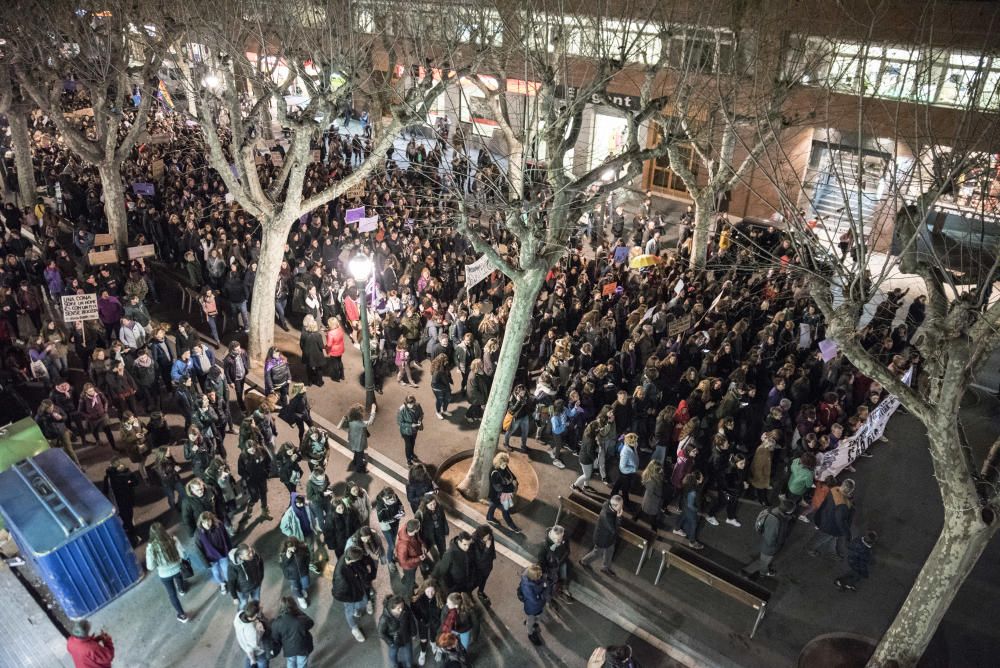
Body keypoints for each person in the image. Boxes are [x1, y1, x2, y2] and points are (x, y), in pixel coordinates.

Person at [144, 523, 190, 623]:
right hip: (178, 568)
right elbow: (182, 553)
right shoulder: (173, 539)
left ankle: (182, 615)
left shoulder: (151, 548)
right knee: (179, 577)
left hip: (164, 575)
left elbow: (150, 567)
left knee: (172, 594)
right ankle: (181, 590)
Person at [742, 498, 797, 579]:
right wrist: (774, 547)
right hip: (769, 546)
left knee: (764, 559)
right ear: (788, 510)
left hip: (768, 544)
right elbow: (770, 537)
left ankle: (758, 569)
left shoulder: (776, 511)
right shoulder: (775, 521)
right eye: (792, 510)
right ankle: (762, 572)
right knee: (765, 560)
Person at [332, 545, 377, 643]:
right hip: (349, 596)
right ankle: (354, 628)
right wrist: (353, 599)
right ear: (352, 560)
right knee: (349, 612)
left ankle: (356, 610)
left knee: (364, 602)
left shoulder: (348, 556)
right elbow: (339, 594)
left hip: (357, 590)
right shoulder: (341, 575)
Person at [807, 478, 856, 559]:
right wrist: (848, 535)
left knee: (833, 538)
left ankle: (832, 552)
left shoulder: (834, 490)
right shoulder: (843, 505)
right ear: (850, 491)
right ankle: (810, 548)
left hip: (824, 518)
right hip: (830, 526)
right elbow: (841, 522)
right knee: (820, 538)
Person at [579, 494, 623, 576]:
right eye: (620, 506)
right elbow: (614, 530)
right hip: (602, 539)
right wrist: (619, 517)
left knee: (610, 551)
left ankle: (605, 568)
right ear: (614, 505)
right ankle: (584, 561)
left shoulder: (609, 505)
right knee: (597, 553)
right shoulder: (606, 516)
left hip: (609, 538)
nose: (621, 507)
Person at [279, 492, 322, 575]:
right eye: (299, 504)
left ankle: (311, 563)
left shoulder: (306, 506)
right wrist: (292, 534)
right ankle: (301, 565)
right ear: (294, 503)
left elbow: (314, 514)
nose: (301, 505)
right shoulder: (289, 513)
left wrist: (315, 524)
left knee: (311, 549)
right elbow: (283, 527)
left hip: (309, 533)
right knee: (300, 551)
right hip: (298, 537)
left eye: (302, 502)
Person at [270, 596, 315, 668]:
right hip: (303, 647)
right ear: (294, 606)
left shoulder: (276, 623)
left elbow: (276, 638)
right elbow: (311, 623)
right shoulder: (301, 620)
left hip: (289, 649)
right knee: (302, 664)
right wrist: (300, 612)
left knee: (290, 662)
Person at [103, 458, 140, 544]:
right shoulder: (126, 473)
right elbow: (135, 482)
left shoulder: (108, 477)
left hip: (117, 503)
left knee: (126, 520)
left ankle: (130, 534)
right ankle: (133, 537)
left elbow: (105, 490)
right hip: (127, 500)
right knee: (129, 519)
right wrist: (129, 483)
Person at [196, 511, 232, 594]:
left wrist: (230, 550)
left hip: (223, 554)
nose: (207, 524)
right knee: (216, 572)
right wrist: (206, 563)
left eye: (208, 521)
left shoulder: (219, 525)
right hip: (211, 558)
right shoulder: (198, 534)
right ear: (201, 523)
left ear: (212, 519)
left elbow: (227, 537)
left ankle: (230, 583)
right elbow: (199, 550)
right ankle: (222, 583)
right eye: (204, 523)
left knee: (226, 570)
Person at [485, 453, 522, 533]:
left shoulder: (504, 466)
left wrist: (514, 479)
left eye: (506, 464)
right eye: (503, 464)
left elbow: (510, 474)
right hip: (497, 495)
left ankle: (489, 518)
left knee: (493, 506)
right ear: (498, 463)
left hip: (498, 496)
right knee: (505, 510)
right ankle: (512, 526)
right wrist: (512, 487)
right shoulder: (494, 473)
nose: (505, 466)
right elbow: (499, 488)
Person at [379, 594, 418, 667]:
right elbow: (381, 633)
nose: (401, 609)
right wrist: (391, 643)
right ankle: (396, 666)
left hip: (406, 637)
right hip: (394, 640)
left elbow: (411, 621)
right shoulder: (384, 618)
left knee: (409, 657)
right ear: (391, 609)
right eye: (398, 608)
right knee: (393, 655)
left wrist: (414, 633)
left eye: (402, 606)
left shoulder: (406, 609)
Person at [536, 524, 573, 602]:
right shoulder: (544, 546)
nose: (559, 541)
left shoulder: (564, 537)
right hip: (551, 567)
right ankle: (554, 595)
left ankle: (563, 588)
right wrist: (545, 572)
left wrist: (564, 558)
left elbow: (567, 550)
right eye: (557, 539)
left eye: (560, 538)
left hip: (562, 562)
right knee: (553, 582)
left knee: (564, 575)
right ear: (552, 537)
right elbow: (541, 560)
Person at [433, 531, 477, 595]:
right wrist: (449, 591)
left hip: (465, 584)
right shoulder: (450, 554)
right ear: (459, 542)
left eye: (469, 544)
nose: (467, 547)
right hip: (454, 587)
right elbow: (442, 573)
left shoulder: (468, 549)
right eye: (465, 544)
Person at [413, 579, 444, 666]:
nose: (430, 594)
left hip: (434, 622)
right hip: (423, 622)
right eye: (428, 591)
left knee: (433, 636)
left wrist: (438, 620)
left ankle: (433, 644)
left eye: (432, 591)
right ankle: (423, 653)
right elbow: (414, 608)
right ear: (424, 590)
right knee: (423, 639)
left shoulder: (439, 597)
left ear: (435, 590)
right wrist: (420, 619)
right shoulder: (418, 598)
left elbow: (442, 610)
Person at [673, 472, 706, 550]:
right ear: (697, 480)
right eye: (702, 477)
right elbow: (691, 505)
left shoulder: (688, 484)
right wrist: (697, 510)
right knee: (694, 525)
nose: (703, 478)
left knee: (683, 516)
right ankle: (692, 542)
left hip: (685, 506)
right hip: (690, 510)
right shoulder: (694, 491)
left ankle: (677, 529)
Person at [339, 403, 375, 474]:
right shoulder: (360, 424)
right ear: (359, 415)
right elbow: (370, 422)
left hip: (353, 441)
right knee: (360, 456)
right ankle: (360, 468)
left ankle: (355, 461)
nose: (363, 413)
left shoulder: (350, 421)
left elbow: (343, 427)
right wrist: (373, 410)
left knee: (356, 453)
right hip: (359, 443)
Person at [228, 543, 265, 610]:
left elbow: (261, 566)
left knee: (256, 601)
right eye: (248, 554)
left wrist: (260, 578)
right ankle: (241, 617)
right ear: (241, 556)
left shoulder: (255, 556)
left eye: (251, 551)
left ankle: (257, 614)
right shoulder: (233, 566)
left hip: (256, 585)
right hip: (243, 590)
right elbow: (231, 582)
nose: (251, 554)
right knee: (243, 604)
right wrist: (235, 597)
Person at [395, 518, 428, 597]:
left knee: (410, 575)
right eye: (419, 527)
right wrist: (419, 558)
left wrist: (422, 544)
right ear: (415, 529)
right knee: (410, 579)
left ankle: (405, 579)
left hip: (415, 561)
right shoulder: (403, 545)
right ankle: (410, 593)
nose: (420, 528)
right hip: (409, 566)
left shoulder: (410, 530)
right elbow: (404, 561)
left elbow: (418, 538)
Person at [233, 600, 270, 668]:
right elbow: (255, 644)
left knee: (250, 659)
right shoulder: (251, 629)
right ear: (255, 615)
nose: (262, 607)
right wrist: (261, 631)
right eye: (260, 607)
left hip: (244, 645)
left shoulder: (239, 614)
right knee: (262, 663)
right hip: (258, 652)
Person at [279, 537, 314, 609]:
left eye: (294, 546)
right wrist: (287, 558)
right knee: (296, 588)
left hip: (303, 572)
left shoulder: (302, 548)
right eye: (290, 548)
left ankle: (302, 590)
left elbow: (307, 556)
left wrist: (307, 564)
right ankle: (300, 598)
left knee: (306, 584)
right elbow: (282, 565)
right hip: (292, 576)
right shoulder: (283, 554)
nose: (293, 549)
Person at [376, 487, 406, 570]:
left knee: (393, 539)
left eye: (393, 496)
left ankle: (391, 554)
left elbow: (400, 504)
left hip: (395, 523)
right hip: (387, 527)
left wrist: (401, 510)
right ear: (384, 498)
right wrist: (392, 519)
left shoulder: (394, 497)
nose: (393, 499)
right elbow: (381, 519)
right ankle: (389, 561)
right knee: (392, 545)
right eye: (389, 498)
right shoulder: (380, 506)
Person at [519, 563, 548, 645]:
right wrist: (543, 593)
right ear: (533, 577)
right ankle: (530, 633)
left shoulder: (532, 578)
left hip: (537, 605)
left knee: (538, 616)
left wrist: (542, 584)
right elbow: (535, 600)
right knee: (531, 620)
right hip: (533, 608)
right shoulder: (527, 587)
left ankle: (533, 623)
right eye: (539, 576)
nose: (541, 576)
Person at [609, 432, 640, 510]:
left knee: (620, 481)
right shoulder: (625, 452)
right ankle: (626, 502)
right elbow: (623, 467)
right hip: (626, 473)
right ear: (631, 442)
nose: (637, 442)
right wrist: (634, 469)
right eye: (635, 441)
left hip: (627, 473)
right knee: (625, 488)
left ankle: (613, 492)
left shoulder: (633, 446)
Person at [471, 525, 496, 607]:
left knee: (484, 580)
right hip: (479, 569)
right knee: (475, 583)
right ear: (480, 537)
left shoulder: (489, 537)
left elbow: (492, 548)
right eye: (485, 537)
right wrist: (487, 548)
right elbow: (480, 559)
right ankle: (469, 596)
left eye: (488, 536)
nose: (488, 539)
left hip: (488, 566)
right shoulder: (474, 543)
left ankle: (480, 592)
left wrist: (492, 557)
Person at [397, 395, 425, 466]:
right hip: (406, 431)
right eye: (410, 404)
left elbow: (421, 414)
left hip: (414, 430)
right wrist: (410, 425)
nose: (411, 405)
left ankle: (412, 454)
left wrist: (419, 420)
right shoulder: (402, 410)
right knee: (408, 445)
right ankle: (408, 460)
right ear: (406, 403)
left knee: (413, 442)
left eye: (413, 403)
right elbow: (400, 423)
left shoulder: (417, 405)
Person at [503, 384, 532, 452]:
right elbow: (512, 409)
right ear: (517, 392)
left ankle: (523, 446)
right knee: (510, 431)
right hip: (516, 418)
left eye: (524, 392)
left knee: (525, 432)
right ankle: (506, 443)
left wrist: (527, 402)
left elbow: (528, 404)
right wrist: (518, 401)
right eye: (521, 393)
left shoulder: (526, 396)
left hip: (524, 417)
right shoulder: (512, 397)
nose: (523, 394)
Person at [429, 353, 453, 419]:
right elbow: (434, 382)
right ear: (440, 362)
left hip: (445, 386)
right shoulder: (437, 371)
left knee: (448, 399)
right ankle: (438, 412)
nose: (446, 362)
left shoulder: (445, 366)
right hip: (438, 388)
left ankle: (444, 410)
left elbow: (448, 374)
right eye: (444, 361)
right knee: (440, 400)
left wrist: (450, 380)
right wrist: (444, 387)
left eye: (446, 360)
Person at [325, 317, 346, 381]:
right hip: (340, 348)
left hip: (334, 351)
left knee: (335, 365)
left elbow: (329, 344)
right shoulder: (340, 329)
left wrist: (326, 336)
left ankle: (336, 377)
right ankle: (342, 375)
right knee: (339, 361)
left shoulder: (330, 333)